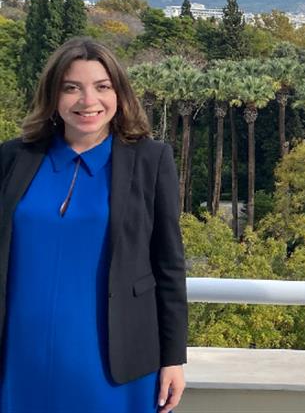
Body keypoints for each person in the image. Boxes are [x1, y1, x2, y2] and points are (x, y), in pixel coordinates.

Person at [0, 38, 187, 412]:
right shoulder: (13, 157)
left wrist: (173, 358)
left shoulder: (151, 160)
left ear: (119, 94)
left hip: (112, 358)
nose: (88, 101)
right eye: (71, 88)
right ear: (53, 96)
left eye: (102, 87)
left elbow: (168, 266)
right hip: (20, 352)